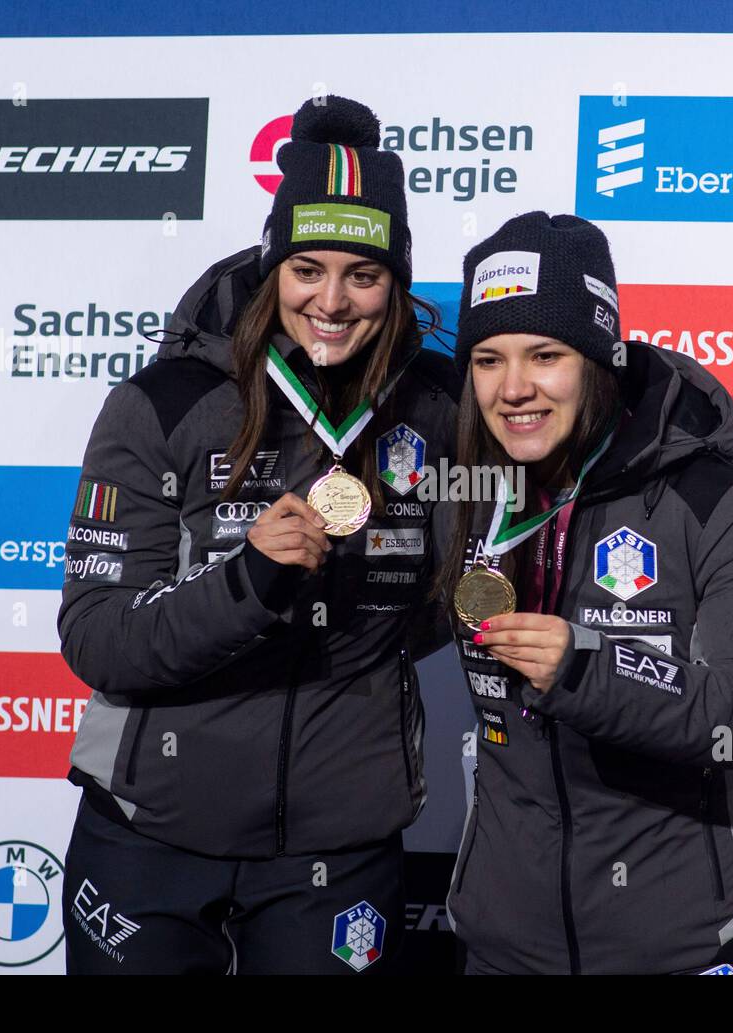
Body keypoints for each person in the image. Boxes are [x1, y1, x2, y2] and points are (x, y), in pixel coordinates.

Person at [57, 95, 459, 974]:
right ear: (272, 265)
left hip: (338, 846)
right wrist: (246, 583)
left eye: (365, 274)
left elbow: (452, 593)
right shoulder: (163, 403)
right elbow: (98, 637)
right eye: (308, 268)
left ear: (397, 282)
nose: (333, 300)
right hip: (150, 834)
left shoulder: (438, 409)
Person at [438, 212, 733, 975]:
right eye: (487, 359)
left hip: (692, 944)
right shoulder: (470, 492)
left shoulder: (715, 496)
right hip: (509, 947)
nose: (513, 389)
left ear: (599, 359)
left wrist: (589, 667)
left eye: (545, 355)